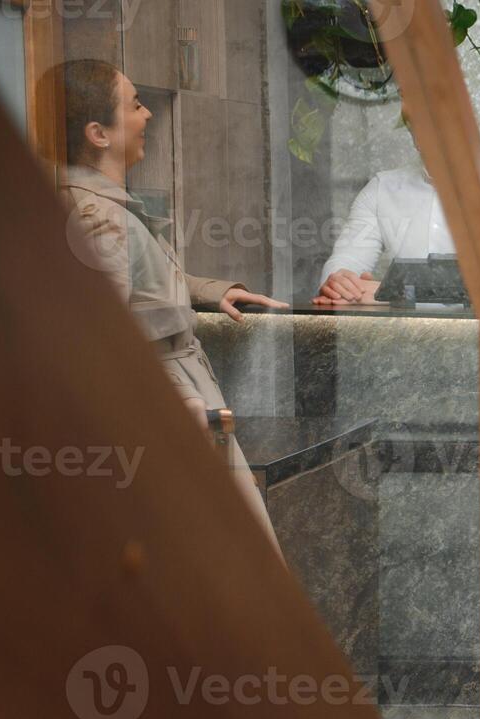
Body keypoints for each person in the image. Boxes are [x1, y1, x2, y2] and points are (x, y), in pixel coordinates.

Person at [48, 59, 287, 548]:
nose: (147, 115)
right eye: (134, 104)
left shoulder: (91, 203)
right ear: (98, 133)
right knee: (238, 551)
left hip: (175, 393)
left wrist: (206, 290)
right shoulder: (99, 215)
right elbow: (102, 337)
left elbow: (128, 284)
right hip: (174, 397)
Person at [313, 162, 453, 305]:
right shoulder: (381, 188)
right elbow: (348, 259)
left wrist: (392, 294)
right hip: (404, 327)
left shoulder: (477, 188)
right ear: (415, 139)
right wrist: (341, 286)